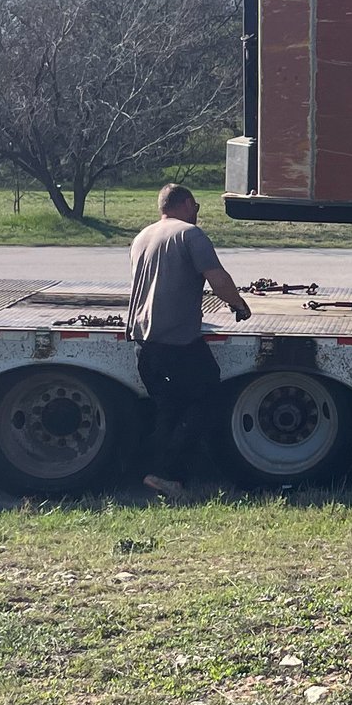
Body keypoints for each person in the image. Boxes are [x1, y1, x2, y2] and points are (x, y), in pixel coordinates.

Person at [128, 182, 250, 499]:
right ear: (185, 204)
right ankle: (170, 475)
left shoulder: (142, 237)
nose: (196, 213)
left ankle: (157, 474)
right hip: (178, 345)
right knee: (208, 398)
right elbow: (217, 278)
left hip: (145, 345)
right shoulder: (189, 234)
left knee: (169, 409)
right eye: (195, 207)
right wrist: (238, 305)